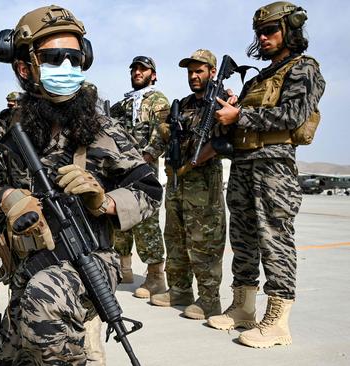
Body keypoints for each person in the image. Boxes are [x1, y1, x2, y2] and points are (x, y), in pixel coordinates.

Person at [0, 5, 162, 364]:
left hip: (88, 260)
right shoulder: (5, 130)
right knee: (9, 357)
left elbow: (148, 190)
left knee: (44, 310)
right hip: (27, 265)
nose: (67, 67)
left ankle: (82, 332)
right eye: (55, 58)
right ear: (25, 67)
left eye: (75, 58)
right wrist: (5, 198)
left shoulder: (104, 129)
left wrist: (104, 201)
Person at [208, 1, 325, 348]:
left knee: (275, 240)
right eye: (259, 32)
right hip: (244, 164)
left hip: (274, 167)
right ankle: (243, 308)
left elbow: (292, 115)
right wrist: (231, 107)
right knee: (243, 239)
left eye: (271, 30)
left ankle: (277, 322)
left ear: (290, 29)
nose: (263, 37)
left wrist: (239, 116)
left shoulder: (305, 69)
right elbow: (241, 115)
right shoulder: (260, 77)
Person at [147, 49, 229, 320]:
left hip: (204, 184)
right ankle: (180, 290)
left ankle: (209, 300)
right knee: (175, 238)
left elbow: (222, 142)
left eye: (199, 71)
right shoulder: (182, 105)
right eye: (190, 72)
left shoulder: (222, 103)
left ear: (212, 72)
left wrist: (194, 162)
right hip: (176, 182)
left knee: (204, 241)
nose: (194, 76)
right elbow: (165, 137)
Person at [110, 56, 170, 298]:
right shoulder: (123, 104)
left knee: (146, 220)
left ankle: (156, 276)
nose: (137, 72)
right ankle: (123, 269)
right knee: (120, 217)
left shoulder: (158, 100)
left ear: (152, 75)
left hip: (143, 169)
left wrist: (146, 157)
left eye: (143, 69)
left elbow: (161, 133)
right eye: (134, 68)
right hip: (121, 170)